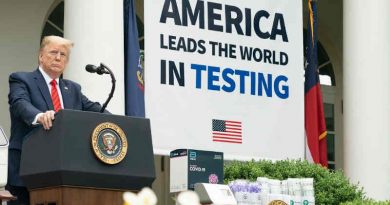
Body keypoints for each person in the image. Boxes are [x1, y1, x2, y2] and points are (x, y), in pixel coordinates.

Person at [6, 36, 106, 205]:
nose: (58, 57)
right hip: (27, 170)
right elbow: (20, 103)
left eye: (63, 54)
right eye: (53, 52)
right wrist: (39, 116)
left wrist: (119, 121)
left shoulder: (73, 89)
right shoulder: (21, 79)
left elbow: (95, 109)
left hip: (64, 173)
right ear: (41, 56)